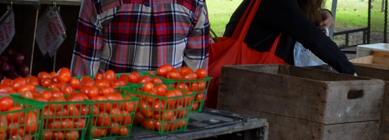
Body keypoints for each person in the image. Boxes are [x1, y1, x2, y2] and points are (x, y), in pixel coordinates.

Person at [70, 0, 210, 77]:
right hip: (169, 114)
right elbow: (196, 77)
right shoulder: (195, 3)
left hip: (112, 114)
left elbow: (83, 76)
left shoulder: (97, 2)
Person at [221, 0, 355, 75]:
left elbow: (299, 20)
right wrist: (350, 71)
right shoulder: (279, 3)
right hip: (245, 76)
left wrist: (323, 13)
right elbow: (313, 38)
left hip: (250, 73)